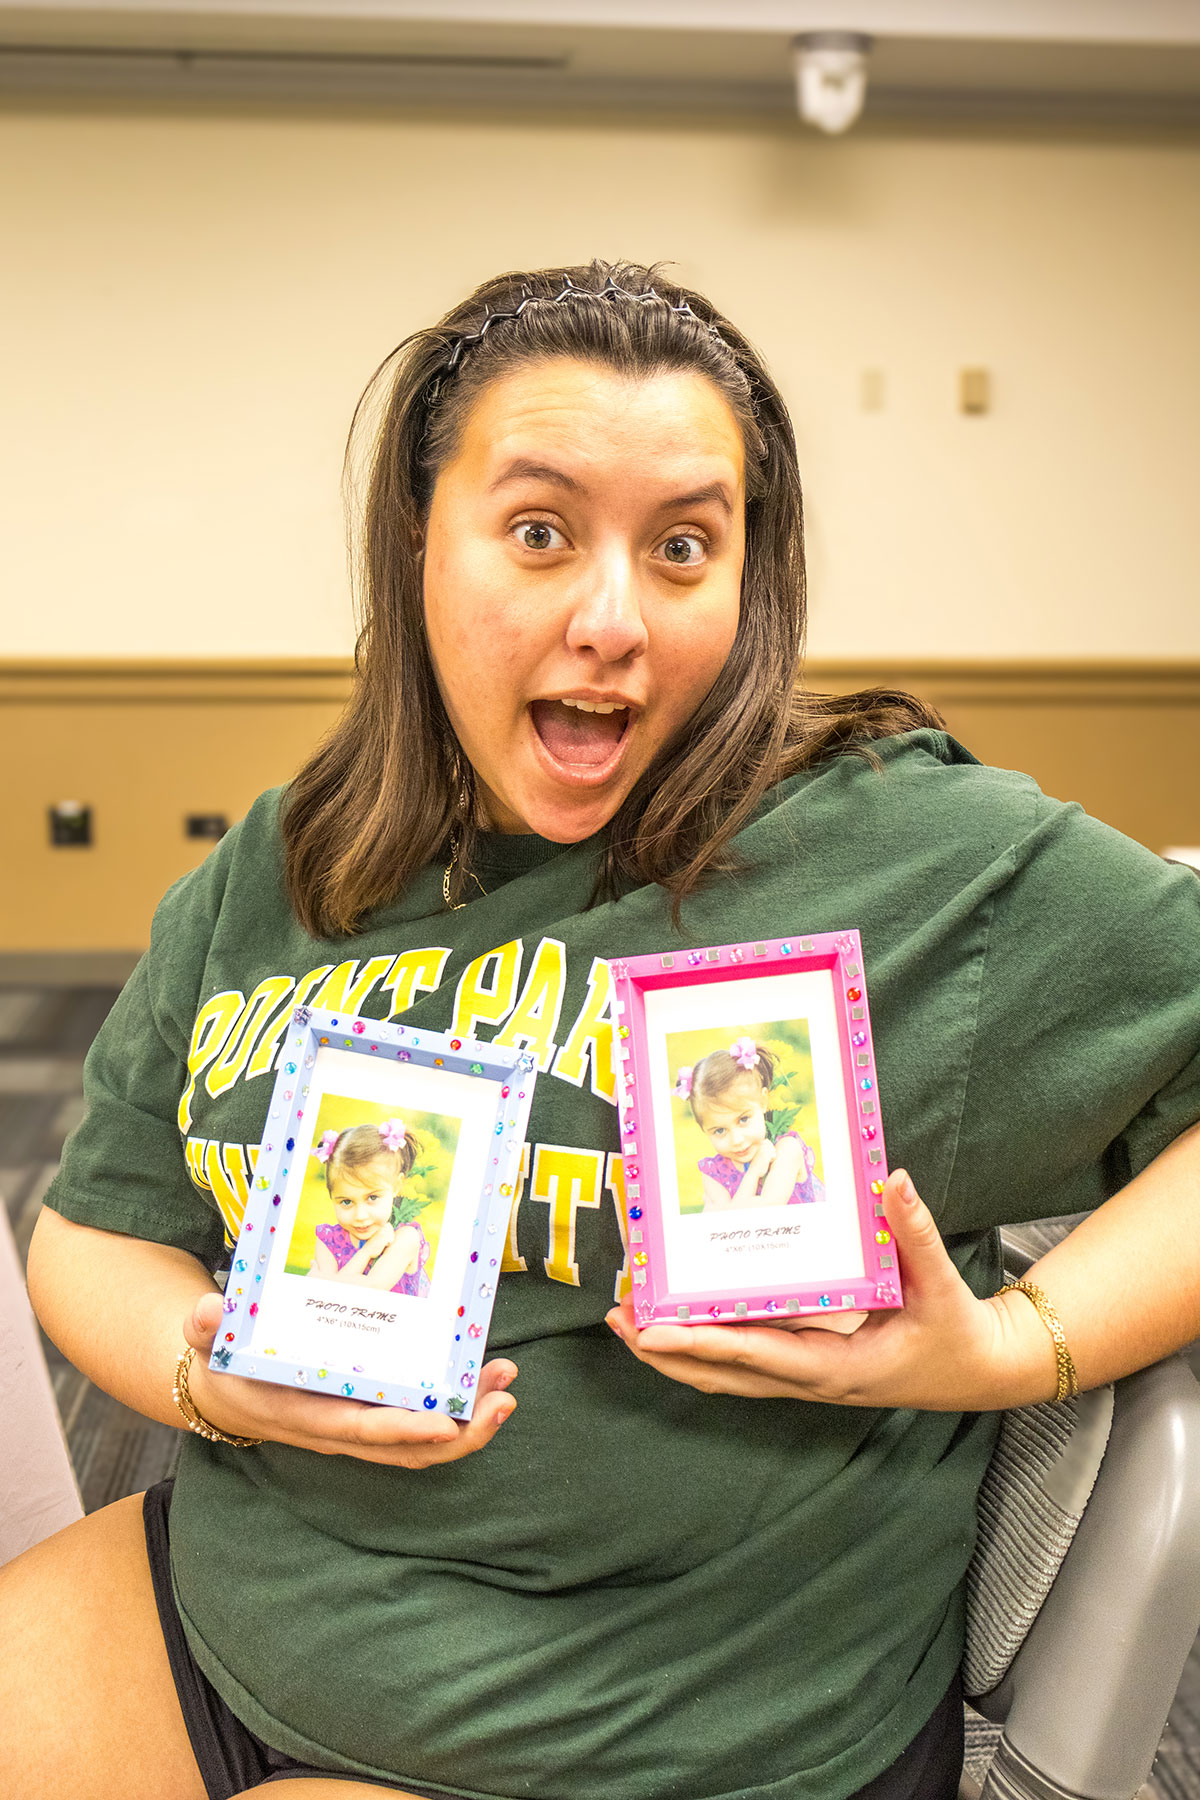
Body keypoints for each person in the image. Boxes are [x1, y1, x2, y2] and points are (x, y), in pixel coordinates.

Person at [3, 258, 1200, 1800]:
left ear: (750, 584)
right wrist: (202, 1375)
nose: (614, 619)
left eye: (686, 548)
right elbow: (94, 1226)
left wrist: (1015, 1349)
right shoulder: (291, 858)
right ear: (421, 546)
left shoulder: (920, 857)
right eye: (541, 531)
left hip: (637, 1719)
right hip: (241, 1603)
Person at [679, 1040, 827, 1209]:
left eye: (743, 1120)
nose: (736, 1140)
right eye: (719, 1130)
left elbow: (768, 1207)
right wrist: (755, 1170)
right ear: (703, 1129)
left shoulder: (786, 1150)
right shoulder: (714, 1173)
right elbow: (725, 1225)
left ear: (764, 1100)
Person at [308, 1121, 431, 1297]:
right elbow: (331, 1298)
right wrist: (367, 1251)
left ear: (397, 1185)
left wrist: (320, 1279)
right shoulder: (328, 1240)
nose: (360, 1216)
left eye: (372, 1198)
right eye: (346, 1202)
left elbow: (372, 1288)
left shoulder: (405, 1238)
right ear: (332, 1196)